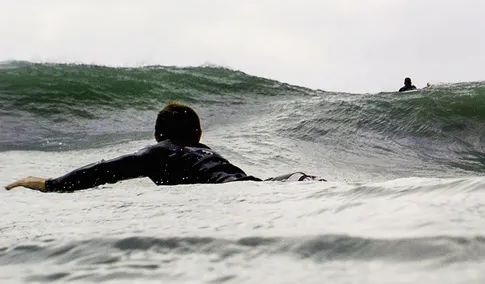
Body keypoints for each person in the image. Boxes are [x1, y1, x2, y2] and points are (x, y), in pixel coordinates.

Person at [5, 102, 323, 192]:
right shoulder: (205, 151)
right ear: (198, 134)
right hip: (257, 187)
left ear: (158, 135)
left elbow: (103, 171)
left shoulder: (158, 153)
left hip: (237, 194)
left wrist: (47, 184)